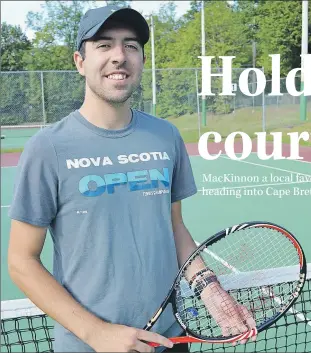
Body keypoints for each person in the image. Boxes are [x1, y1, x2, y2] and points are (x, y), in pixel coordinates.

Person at [8, 5, 255, 353]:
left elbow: (175, 229)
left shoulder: (165, 136)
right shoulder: (47, 148)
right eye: (104, 45)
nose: (119, 56)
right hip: (88, 346)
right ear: (80, 61)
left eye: (131, 46)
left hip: (167, 338)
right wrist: (96, 333)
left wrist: (210, 290)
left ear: (140, 59)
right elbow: (22, 261)